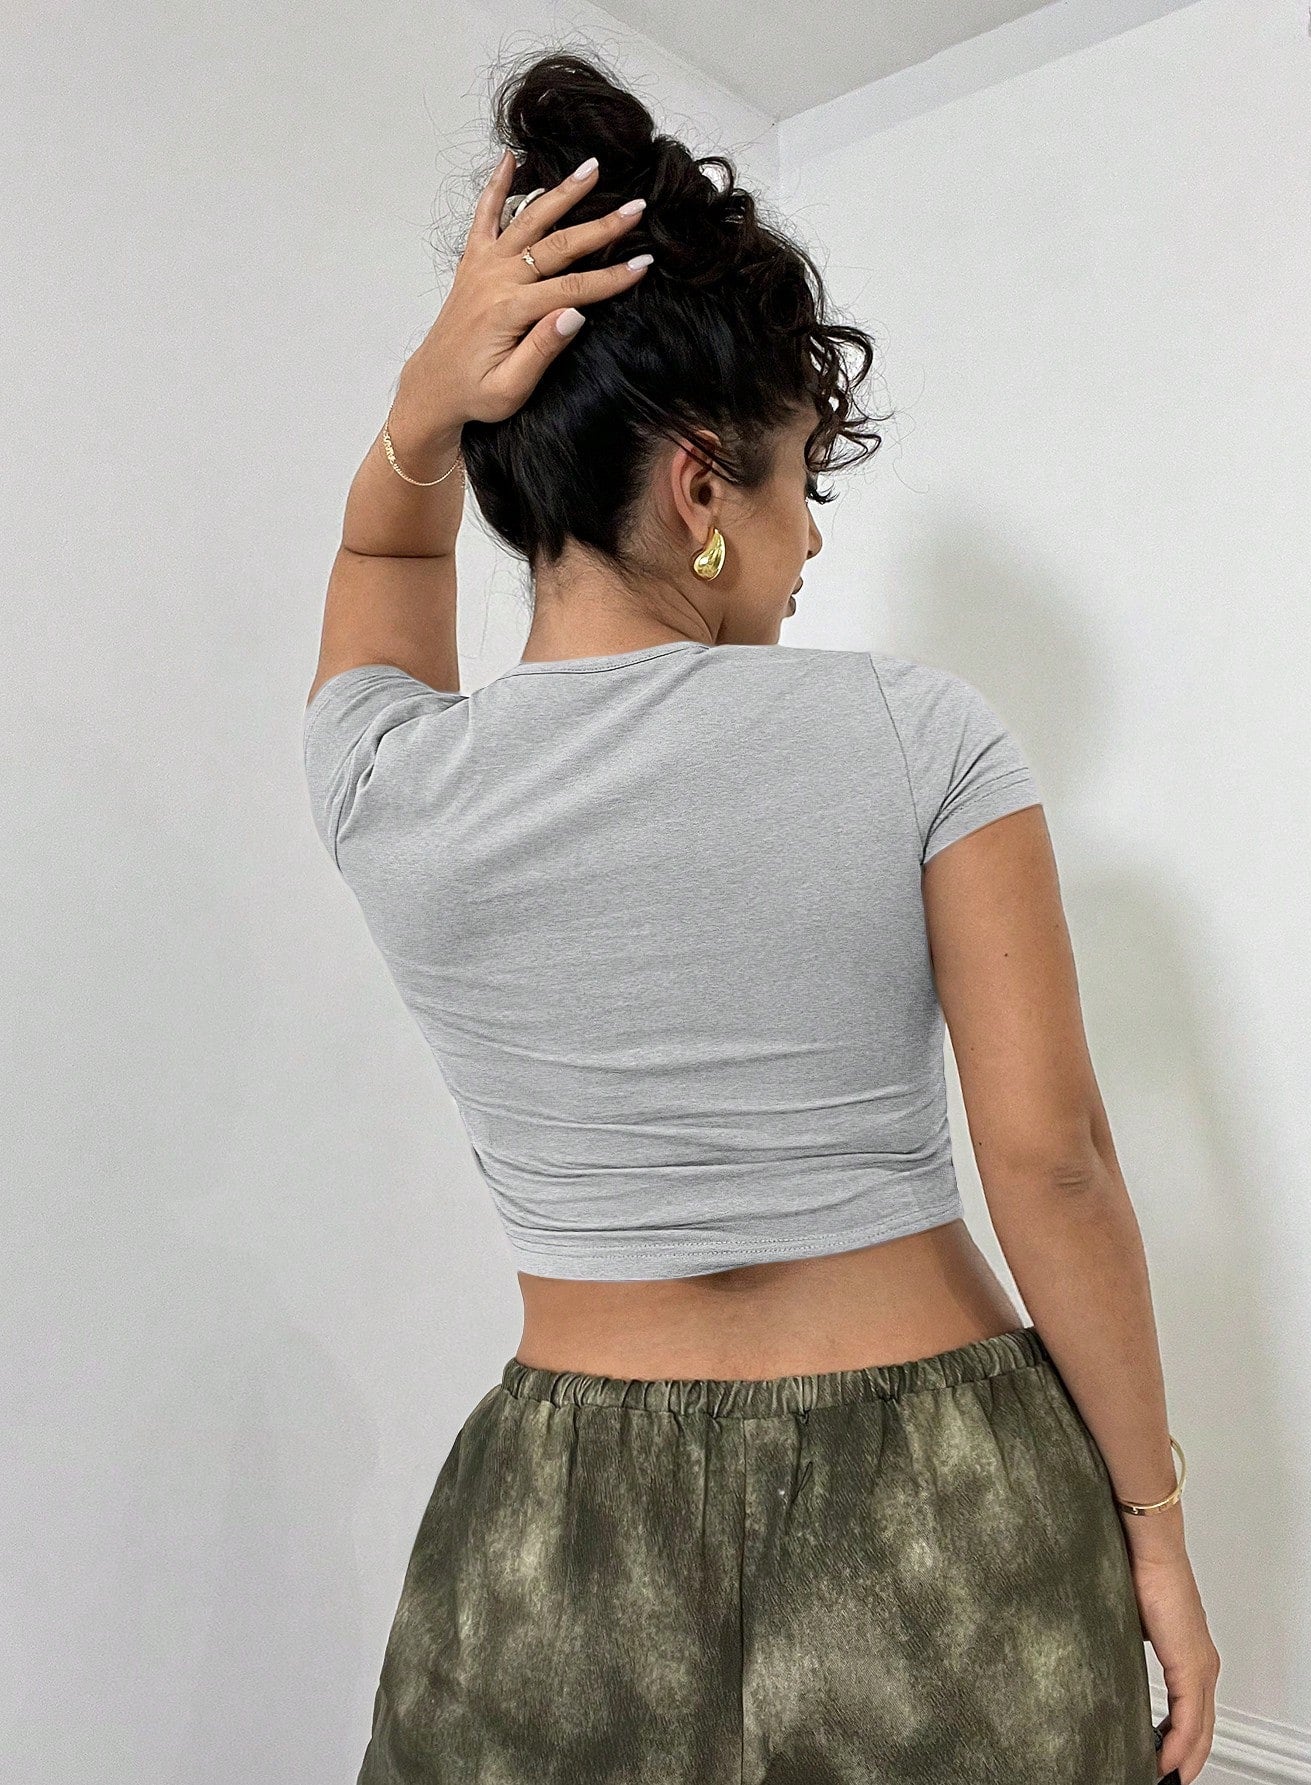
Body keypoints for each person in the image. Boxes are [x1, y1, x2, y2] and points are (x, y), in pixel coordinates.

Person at [301, 47, 1218, 1785]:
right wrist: (1154, 1529)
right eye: (800, 485)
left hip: (556, 1555)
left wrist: (422, 409)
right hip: (943, 1515)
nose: (807, 552)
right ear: (702, 489)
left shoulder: (389, 786)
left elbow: (388, 566)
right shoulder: (915, 731)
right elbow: (1052, 1162)